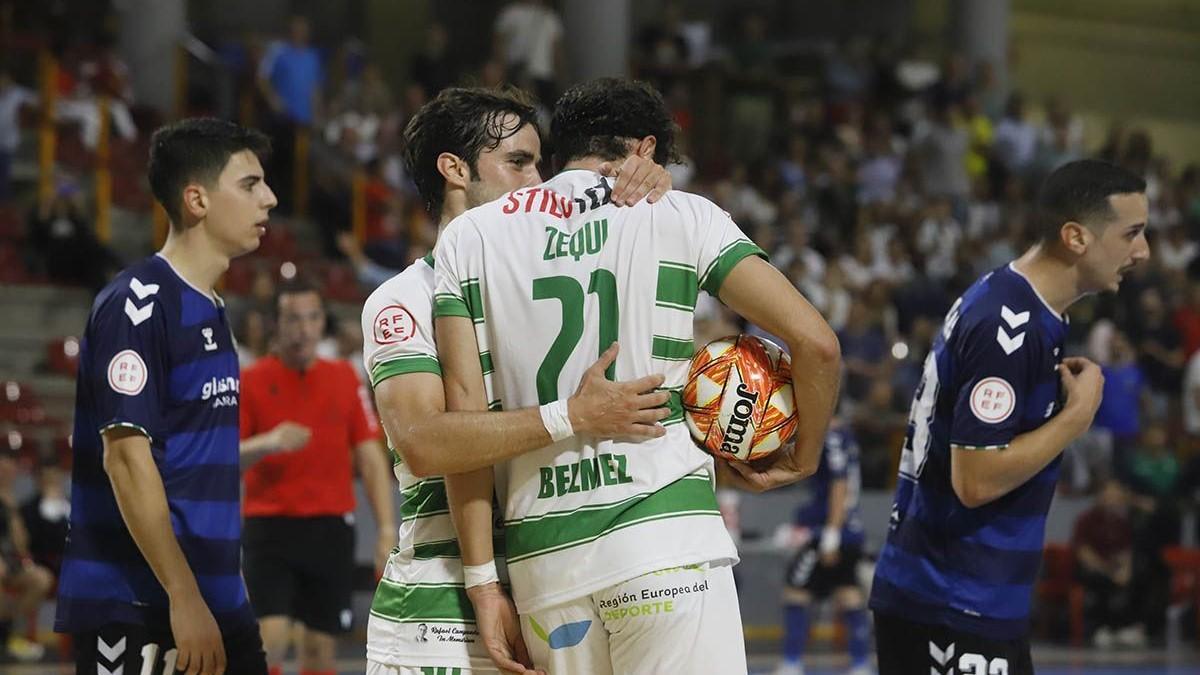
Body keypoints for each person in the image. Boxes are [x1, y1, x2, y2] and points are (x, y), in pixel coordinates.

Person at [434, 78, 840, 674]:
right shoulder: (682, 215)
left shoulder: (469, 236)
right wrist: (803, 459)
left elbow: (464, 423)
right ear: (645, 150)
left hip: (545, 566)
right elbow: (817, 345)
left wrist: (482, 583)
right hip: (666, 543)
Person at [360, 86, 676, 675]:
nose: (537, 181)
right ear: (454, 170)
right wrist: (568, 416)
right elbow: (425, 443)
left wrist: (649, 184)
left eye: (541, 163)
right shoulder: (405, 298)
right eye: (517, 162)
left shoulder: (546, 281)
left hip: (547, 591)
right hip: (441, 613)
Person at [870, 159, 1149, 674]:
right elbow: (974, 479)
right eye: (1131, 233)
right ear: (1076, 237)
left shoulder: (1031, 311)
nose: (1143, 250)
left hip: (976, 604)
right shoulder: (1007, 323)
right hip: (949, 603)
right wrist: (1076, 418)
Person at [55, 117, 277, 675]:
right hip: (142, 604)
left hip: (214, 599)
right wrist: (183, 595)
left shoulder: (213, 308)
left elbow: (196, 465)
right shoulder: (137, 304)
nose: (270, 200)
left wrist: (226, 584)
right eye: (250, 185)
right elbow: (127, 459)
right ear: (196, 199)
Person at [239, 278, 393, 675]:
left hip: (330, 528)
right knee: (267, 642)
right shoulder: (251, 381)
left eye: (312, 318)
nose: (304, 329)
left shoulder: (344, 377)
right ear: (276, 324)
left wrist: (387, 529)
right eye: (293, 319)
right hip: (269, 527)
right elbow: (225, 461)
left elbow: (371, 458)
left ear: (323, 322)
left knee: (319, 652)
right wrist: (268, 443)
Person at [774, 423, 870, 675]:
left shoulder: (831, 436)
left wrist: (830, 534)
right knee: (848, 592)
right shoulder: (845, 435)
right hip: (849, 530)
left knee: (797, 592)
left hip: (829, 531)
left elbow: (839, 483)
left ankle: (792, 663)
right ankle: (861, 664)